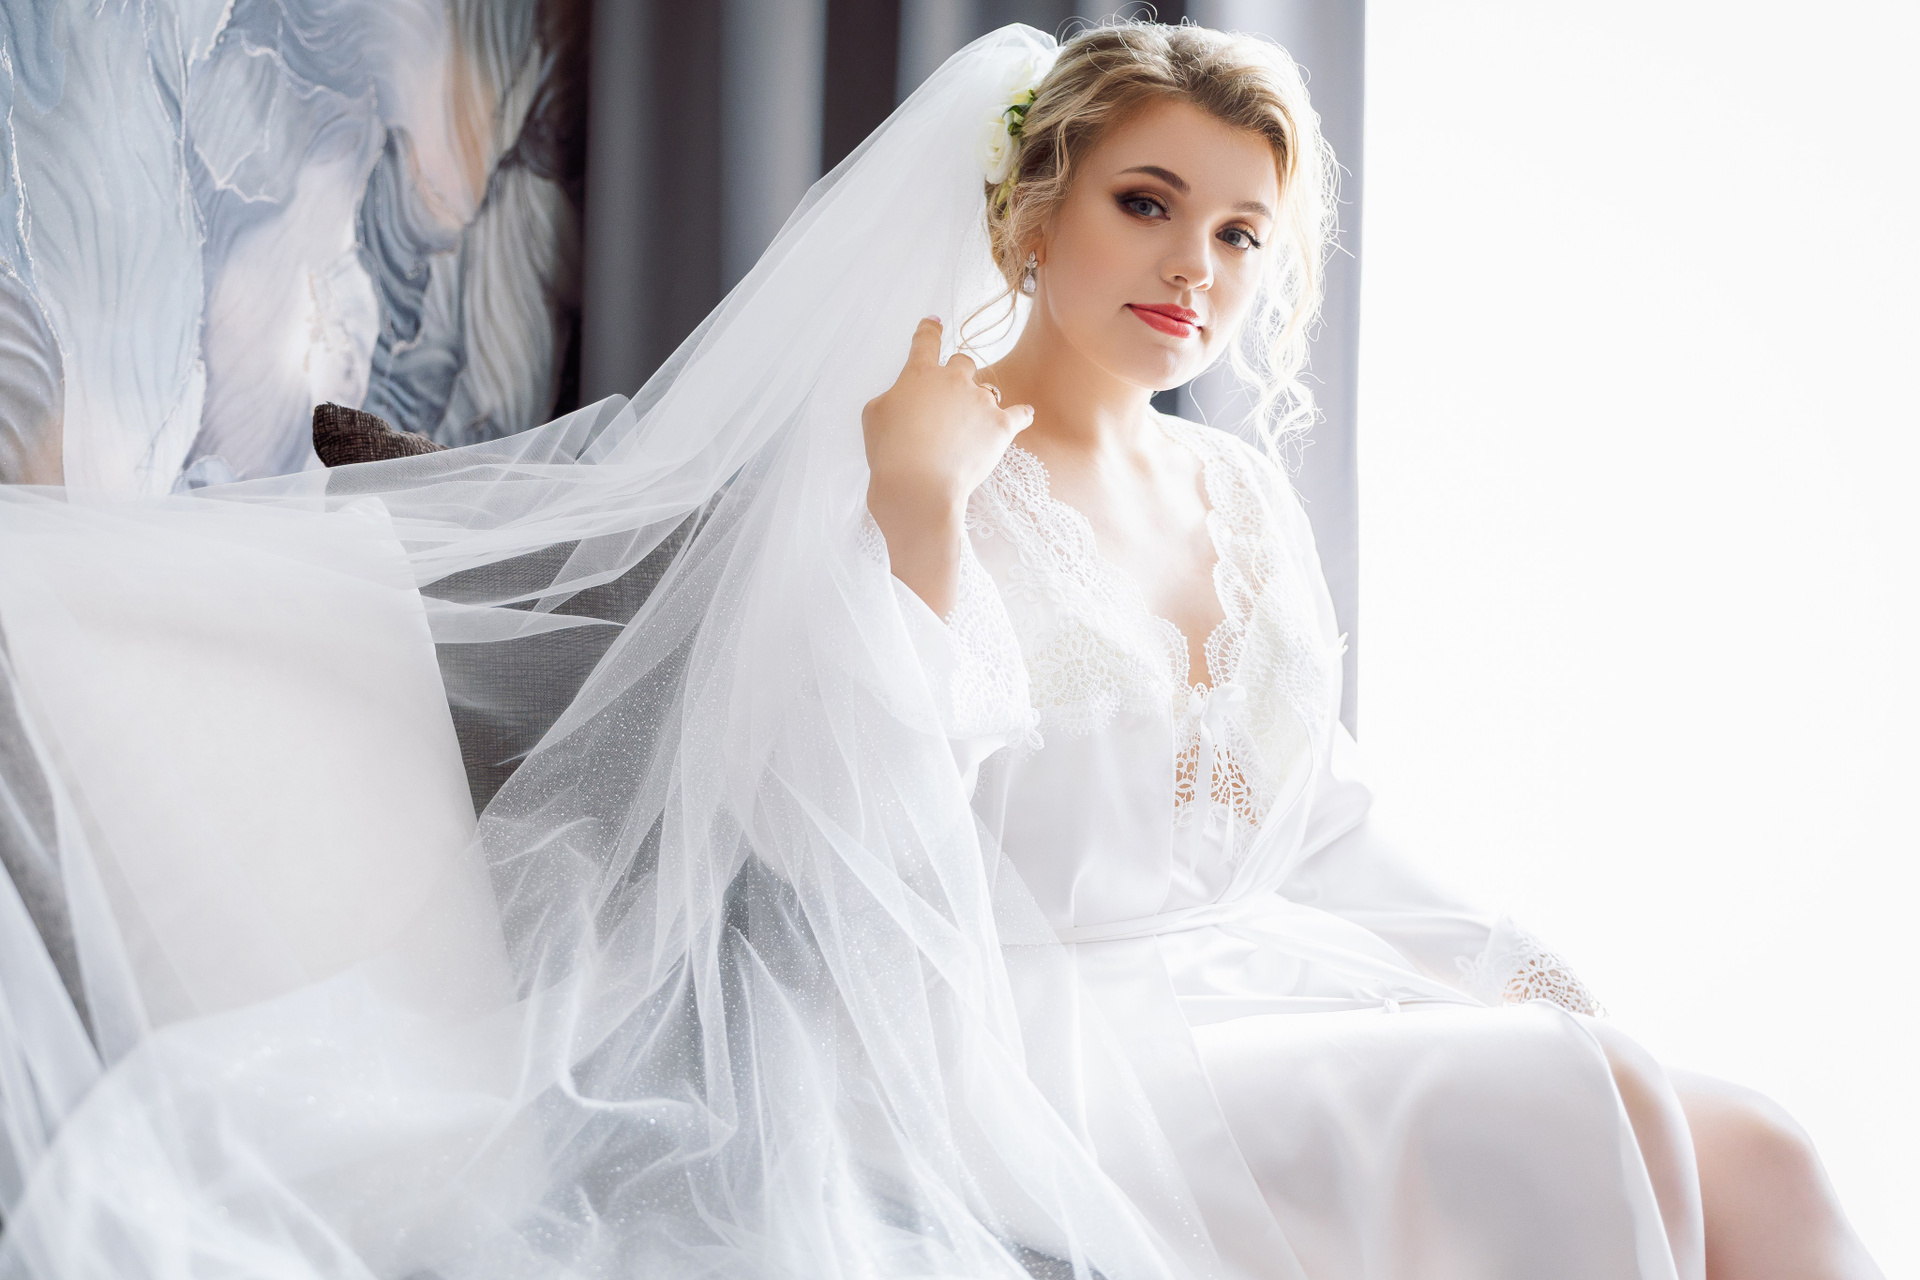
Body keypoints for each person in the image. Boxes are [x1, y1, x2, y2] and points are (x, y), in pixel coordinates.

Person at [0, 20, 1882, 1280]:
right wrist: (912, 519)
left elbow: (1322, 823)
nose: (1195, 269)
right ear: (1031, 211)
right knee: (1586, 1110)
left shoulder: (1236, 497)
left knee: (1757, 1147)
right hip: (1031, 1047)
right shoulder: (908, 458)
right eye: (1147, 204)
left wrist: (1523, 967)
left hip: (1245, 980)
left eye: (1242, 235)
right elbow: (862, 846)